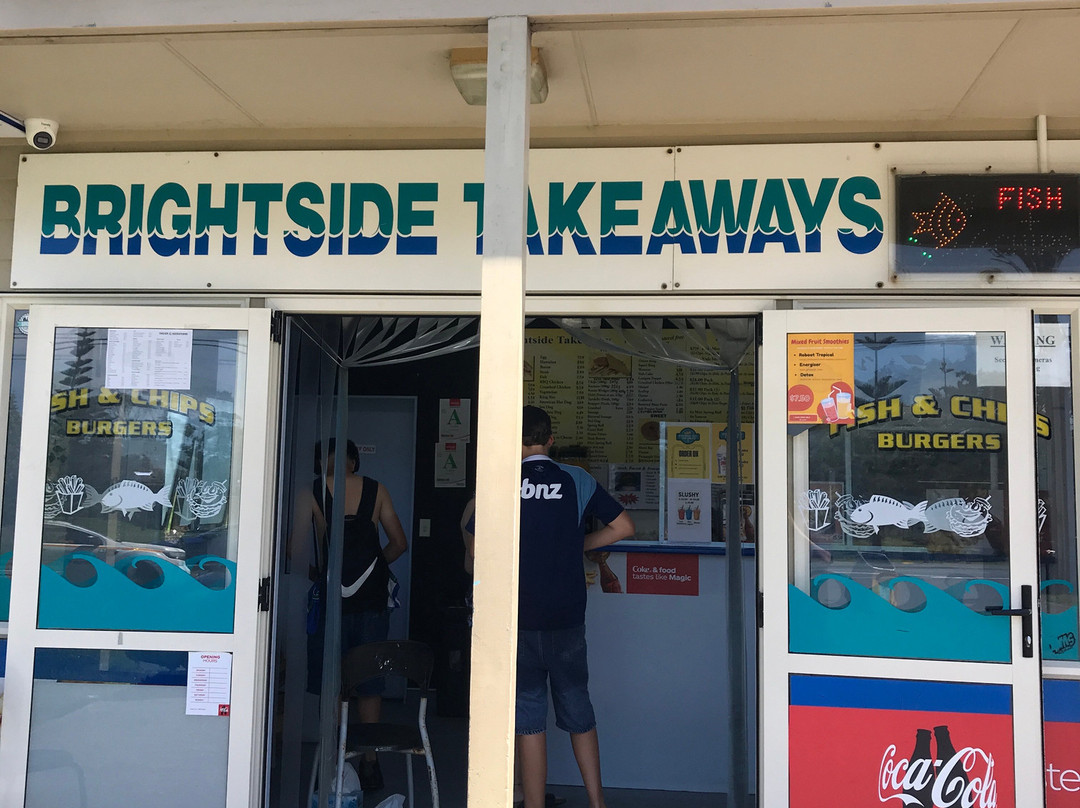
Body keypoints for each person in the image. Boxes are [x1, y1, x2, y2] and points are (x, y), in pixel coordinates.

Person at [513, 405, 635, 808]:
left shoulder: (503, 479)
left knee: (528, 721)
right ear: (550, 440)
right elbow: (624, 526)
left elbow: (478, 547)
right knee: (578, 710)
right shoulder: (576, 478)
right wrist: (578, 545)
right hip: (566, 616)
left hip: (519, 617)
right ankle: (597, 803)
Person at [310, 438, 408, 793]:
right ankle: (370, 762)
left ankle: (335, 762)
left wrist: (319, 574)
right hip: (371, 603)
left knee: (334, 685)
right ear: (354, 460)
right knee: (370, 683)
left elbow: (294, 549)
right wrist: (375, 569)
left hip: (332, 602)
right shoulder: (377, 490)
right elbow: (399, 543)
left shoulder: (313, 492)